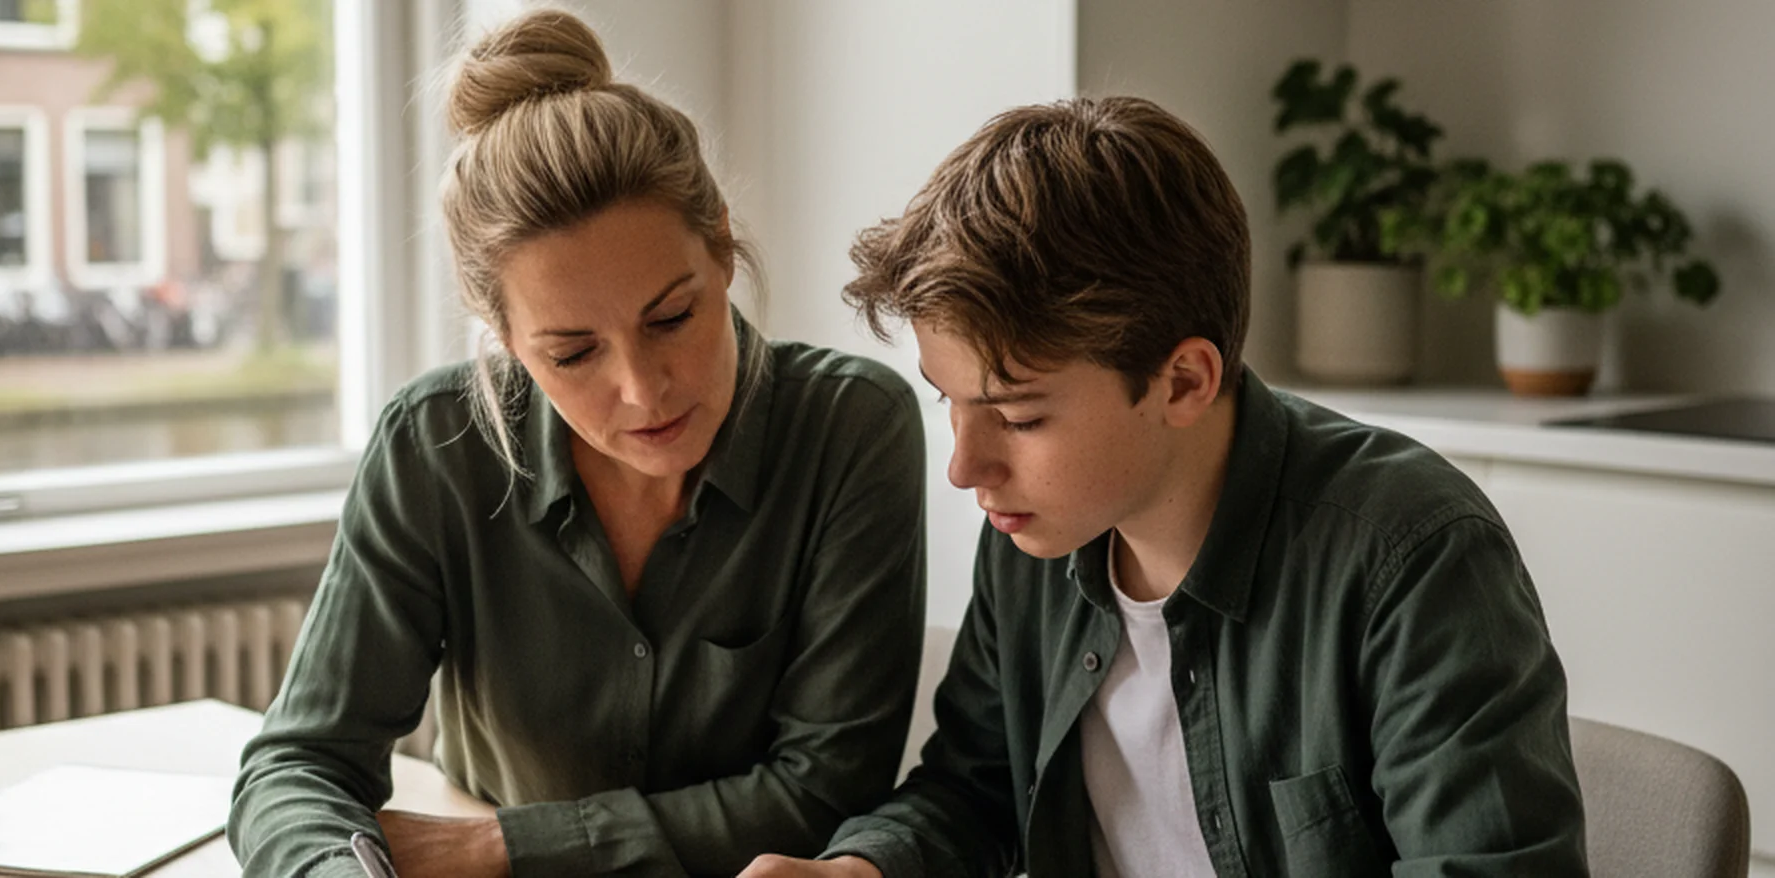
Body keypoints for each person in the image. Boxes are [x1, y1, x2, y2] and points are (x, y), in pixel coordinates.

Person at [742, 95, 1588, 877]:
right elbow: (974, 791)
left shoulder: (1414, 558)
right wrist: (858, 870)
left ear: (1183, 382)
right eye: (949, 402)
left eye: (1019, 417)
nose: (966, 468)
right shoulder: (1035, 535)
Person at [230, 10, 927, 878]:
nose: (642, 388)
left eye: (671, 317)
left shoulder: (852, 428)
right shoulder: (434, 444)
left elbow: (828, 790)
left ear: (721, 245)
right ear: (503, 335)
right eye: (572, 353)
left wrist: (499, 848)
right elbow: (298, 766)